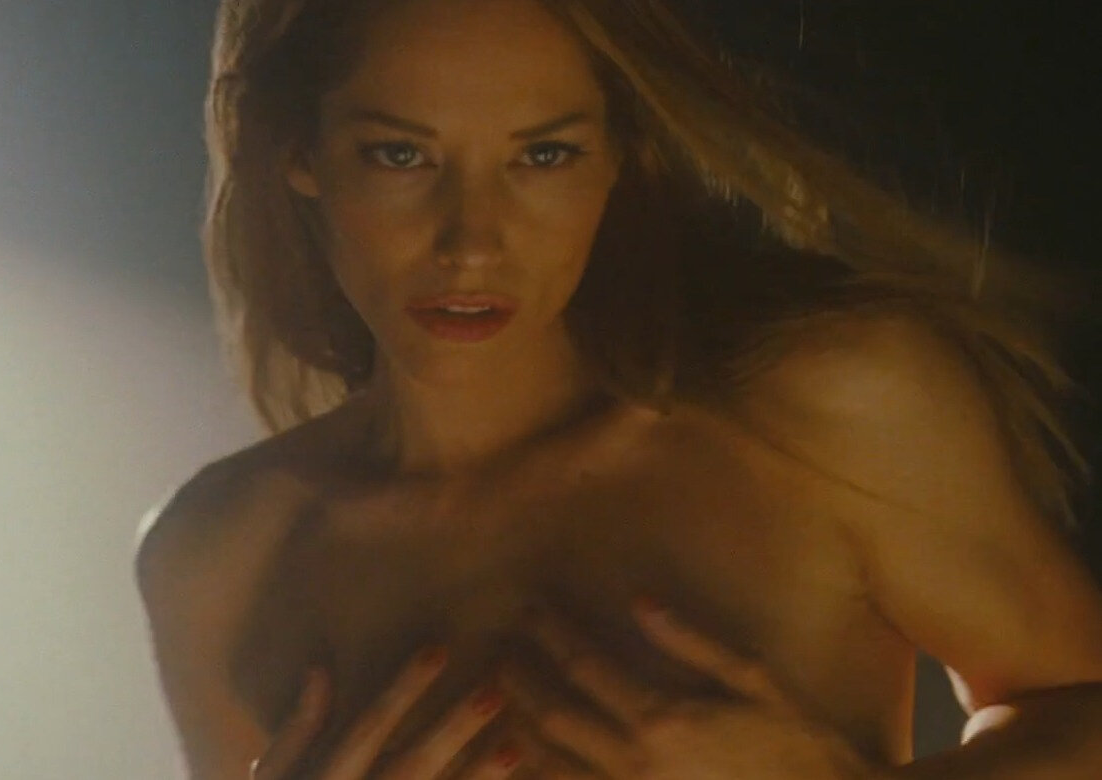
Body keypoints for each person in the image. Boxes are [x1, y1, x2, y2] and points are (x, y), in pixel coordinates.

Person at [136, 0, 1102, 776]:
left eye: (542, 154)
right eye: (401, 154)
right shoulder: (216, 560)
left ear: (618, 157)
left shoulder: (826, 408)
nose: (472, 241)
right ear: (298, 153)